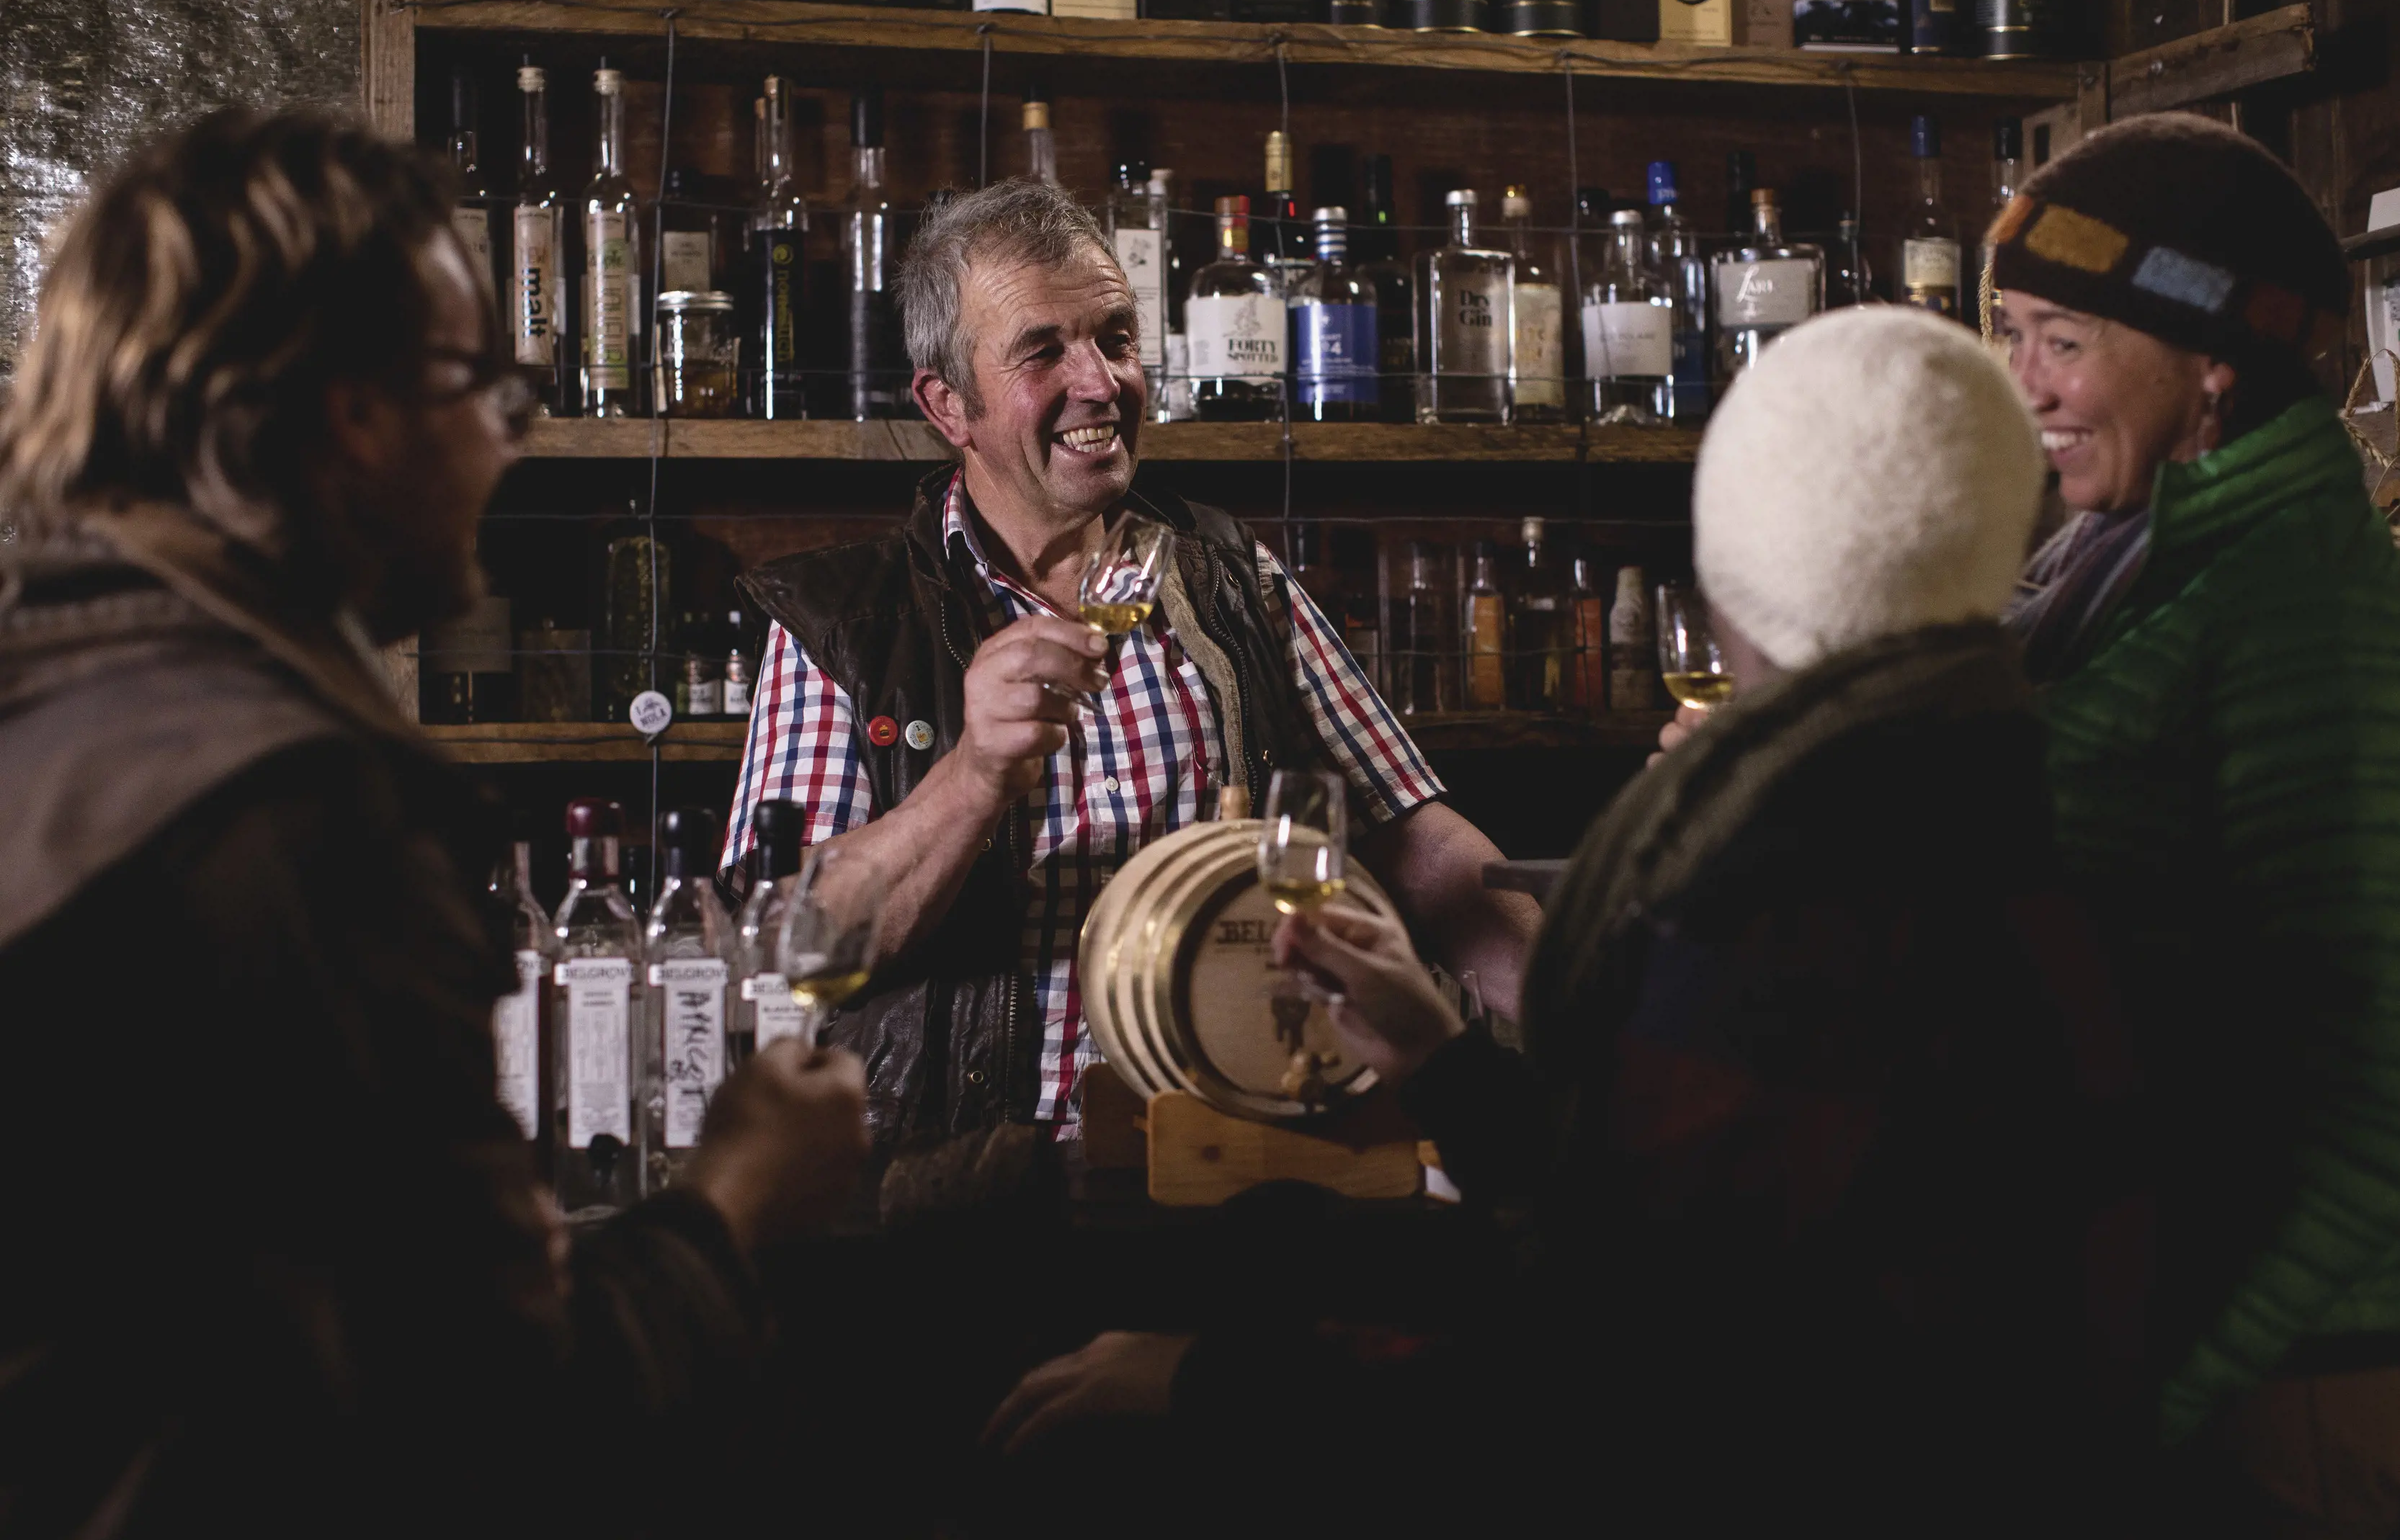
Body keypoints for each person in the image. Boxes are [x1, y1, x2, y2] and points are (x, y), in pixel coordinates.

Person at [987, 308, 2148, 1530]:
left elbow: (1624, 1368)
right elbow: (1673, 1229)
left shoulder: (1784, 882)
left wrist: (1210, 1377)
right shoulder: (2004, 787)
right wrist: (1440, 1062)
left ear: (1740, 547)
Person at [0, 108, 868, 1537]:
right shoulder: (292, 807)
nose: (505, 445)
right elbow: (495, 1433)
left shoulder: (55, 702)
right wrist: (735, 1200)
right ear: (355, 410)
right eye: (486, 389)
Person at [721, 177, 1538, 1162]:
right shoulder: (843, 618)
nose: (1100, 382)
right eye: (1042, 352)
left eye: (1112, 337)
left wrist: (1596, 1037)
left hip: (1235, 1170)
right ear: (950, 406)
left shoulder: (1235, 578)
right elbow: (788, 948)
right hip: (969, 1193)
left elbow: (1424, 849)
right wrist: (974, 773)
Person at [1984, 112, 2400, 1533]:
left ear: (2215, 360)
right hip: (2156, 1331)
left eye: (2066, 341)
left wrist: (2171, 1402)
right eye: (2011, 333)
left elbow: (2371, 1081)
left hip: (2290, 1389)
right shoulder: (2117, 565)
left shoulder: (2297, 604)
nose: (2022, 386)